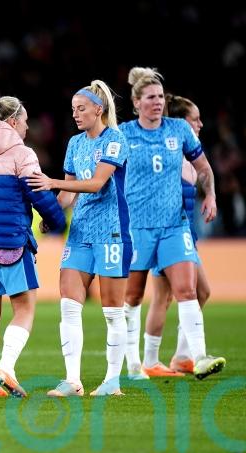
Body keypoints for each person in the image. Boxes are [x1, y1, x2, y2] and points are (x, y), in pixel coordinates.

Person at [120, 67, 225, 381]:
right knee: (133, 296)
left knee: (187, 290)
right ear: (136, 102)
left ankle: (198, 356)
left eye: (160, 97)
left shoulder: (179, 130)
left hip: (174, 226)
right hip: (137, 228)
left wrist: (211, 195)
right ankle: (134, 363)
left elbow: (203, 167)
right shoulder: (124, 134)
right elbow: (105, 172)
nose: (157, 102)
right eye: (150, 97)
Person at [28, 80, 130, 397]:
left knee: (113, 311)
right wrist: (51, 214)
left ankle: (112, 381)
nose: (75, 114)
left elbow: (97, 184)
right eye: (73, 109)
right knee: (69, 306)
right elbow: (68, 195)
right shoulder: (75, 143)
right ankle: (73, 380)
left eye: (81, 108)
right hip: (81, 232)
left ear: (98, 109)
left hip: (112, 232)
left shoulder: (115, 140)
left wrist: (51, 182)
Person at [0, 95, 66, 398]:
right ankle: (6, 367)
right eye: (26, 121)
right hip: (12, 245)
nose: (28, 127)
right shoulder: (22, 154)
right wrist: (57, 221)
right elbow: (39, 193)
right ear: (12, 121)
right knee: (24, 309)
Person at [143, 94, 212, 376]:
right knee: (164, 297)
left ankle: (182, 357)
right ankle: (151, 361)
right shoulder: (167, 157)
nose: (200, 124)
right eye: (195, 119)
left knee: (201, 292)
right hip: (167, 235)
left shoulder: (188, 156)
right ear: (181, 123)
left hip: (184, 235)